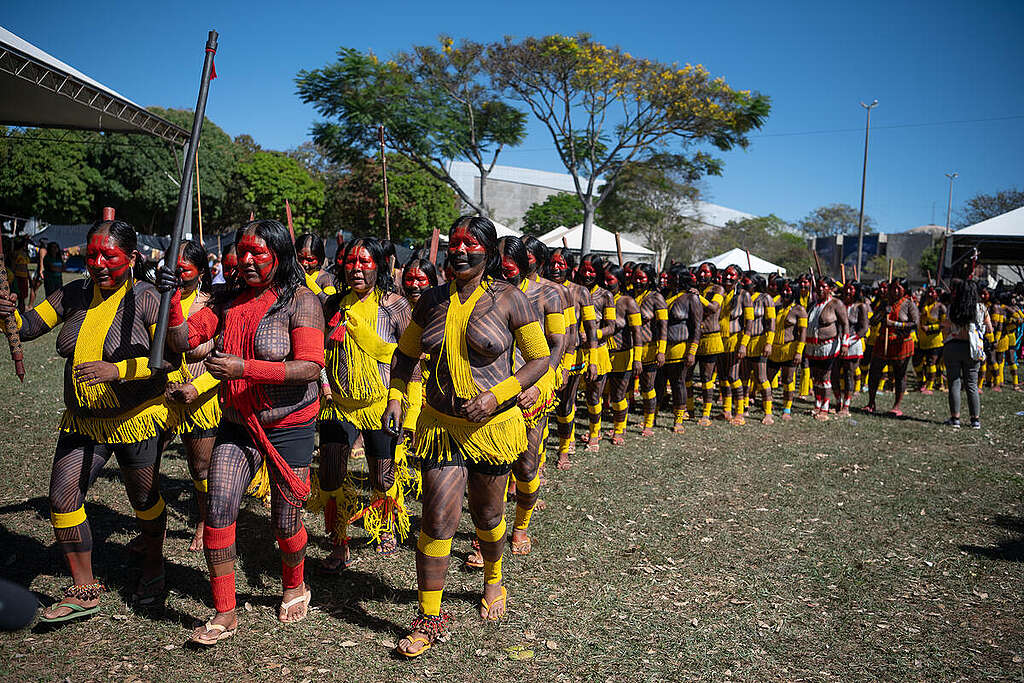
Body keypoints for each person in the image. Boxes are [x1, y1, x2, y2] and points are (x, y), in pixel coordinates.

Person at [383, 216, 550, 657]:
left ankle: (493, 577)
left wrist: (499, 395)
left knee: (488, 517)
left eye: (470, 244)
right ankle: (428, 616)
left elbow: (539, 359)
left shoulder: (511, 300)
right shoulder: (430, 301)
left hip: (492, 429)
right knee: (437, 520)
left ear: (489, 253)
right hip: (441, 426)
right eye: (453, 243)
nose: (459, 251)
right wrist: (397, 400)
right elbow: (404, 358)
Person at [159, 219, 325, 645]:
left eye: (259, 253)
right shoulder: (226, 297)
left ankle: (294, 583)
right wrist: (173, 298)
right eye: (243, 252)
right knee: (217, 507)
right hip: (238, 423)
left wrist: (243, 368)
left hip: (290, 425)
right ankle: (224, 611)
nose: (247, 261)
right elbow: (183, 341)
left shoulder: (302, 300)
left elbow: (309, 367)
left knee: (286, 520)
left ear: (280, 256)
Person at [1, 219, 175, 621]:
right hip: (83, 419)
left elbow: (169, 359)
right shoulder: (75, 292)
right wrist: (9, 314)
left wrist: (117, 371)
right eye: (92, 254)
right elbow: (30, 326)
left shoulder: (148, 298)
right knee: (62, 498)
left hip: (135, 419)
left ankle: (154, 562)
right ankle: (84, 589)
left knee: (143, 501)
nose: (97, 263)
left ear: (131, 258)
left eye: (108, 256)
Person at [311, 237, 412, 570]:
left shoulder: (395, 305)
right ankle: (339, 541)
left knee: (382, 477)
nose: (356, 268)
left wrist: (398, 400)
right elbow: (319, 351)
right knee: (329, 474)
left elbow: (411, 357)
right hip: (336, 404)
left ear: (379, 266)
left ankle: (384, 527)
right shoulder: (332, 304)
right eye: (350, 262)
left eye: (364, 262)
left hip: (380, 403)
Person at [499, 236, 565, 555]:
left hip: (532, 391)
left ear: (534, 262)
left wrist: (540, 384)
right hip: (495, 392)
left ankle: (521, 526)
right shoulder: (492, 290)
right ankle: (489, 532)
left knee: (525, 468)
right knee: (494, 466)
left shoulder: (549, 292)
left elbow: (557, 343)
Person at [163, 241, 222, 552]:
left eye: (183, 270)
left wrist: (195, 388)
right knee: (144, 461)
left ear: (201, 272)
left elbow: (224, 360)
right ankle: (151, 524)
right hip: (160, 397)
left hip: (201, 399)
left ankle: (204, 520)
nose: (176, 276)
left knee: (200, 468)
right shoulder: (158, 301)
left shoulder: (213, 306)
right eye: (172, 269)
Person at [545, 247, 598, 469]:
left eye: (561, 264)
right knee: (542, 409)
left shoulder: (579, 292)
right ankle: (537, 460)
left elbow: (591, 328)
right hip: (543, 358)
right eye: (553, 264)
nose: (556, 268)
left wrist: (593, 358)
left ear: (570, 267)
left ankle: (564, 450)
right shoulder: (542, 288)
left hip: (571, 357)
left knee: (565, 405)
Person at [575, 254, 615, 451]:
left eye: (592, 271)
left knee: (593, 396)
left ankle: (594, 433)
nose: (588, 274)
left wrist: (593, 333)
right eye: (585, 270)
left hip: (598, 352)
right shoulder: (572, 291)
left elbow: (611, 327)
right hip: (574, 352)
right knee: (570, 396)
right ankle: (569, 437)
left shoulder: (606, 295)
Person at [942, 277, 992, 429]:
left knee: (954, 383)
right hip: (973, 349)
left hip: (953, 347)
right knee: (972, 384)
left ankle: (955, 418)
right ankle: (975, 420)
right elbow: (990, 329)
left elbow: (946, 328)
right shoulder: (982, 309)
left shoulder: (953, 308)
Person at [866, 278, 919, 416]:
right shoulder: (884, 303)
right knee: (874, 372)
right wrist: (883, 312)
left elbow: (915, 323)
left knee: (899, 374)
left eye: (898, 288)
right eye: (893, 288)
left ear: (904, 289)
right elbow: (873, 321)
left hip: (901, 343)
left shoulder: (909, 304)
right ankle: (871, 403)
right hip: (883, 341)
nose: (895, 291)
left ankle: (896, 406)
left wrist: (895, 324)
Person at [602, 263, 642, 444]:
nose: (606, 283)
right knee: (599, 394)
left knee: (618, 395)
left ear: (620, 280)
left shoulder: (628, 302)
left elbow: (637, 332)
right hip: (601, 354)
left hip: (622, 355)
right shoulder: (600, 298)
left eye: (610, 279)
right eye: (604, 279)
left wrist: (637, 359)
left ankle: (619, 429)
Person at [661, 266, 702, 432]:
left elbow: (697, 327)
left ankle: (678, 420)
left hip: (681, 348)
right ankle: (651, 417)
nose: (669, 280)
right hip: (661, 348)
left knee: (678, 383)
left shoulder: (691, 298)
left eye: (673, 277)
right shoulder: (663, 295)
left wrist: (692, 351)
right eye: (668, 277)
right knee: (659, 383)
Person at [803, 277, 848, 420]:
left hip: (828, 347)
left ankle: (825, 408)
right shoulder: (812, 304)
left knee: (825, 378)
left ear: (830, 288)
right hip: (812, 346)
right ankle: (817, 404)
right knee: (815, 378)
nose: (820, 289)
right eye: (818, 287)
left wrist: (845, 343)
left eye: (824, 286)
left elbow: (845, 324)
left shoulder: (836, 304)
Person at [630, 263, 667, 435]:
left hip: (650, 349)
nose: (637, 281)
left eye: (641, 278)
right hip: (629, 349)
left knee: (647, 386)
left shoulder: (656, 298)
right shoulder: (628, 296)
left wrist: (661, 350)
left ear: (649, 279)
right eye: (635, 277)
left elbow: (663, 326)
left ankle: (648, 423)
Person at [766, 279, 807, 420]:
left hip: (790, 350)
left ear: (795, 292)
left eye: (788, 290)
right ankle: (767, 407)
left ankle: (787, 409)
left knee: (787, 380)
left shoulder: (800, 310)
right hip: (774, 350)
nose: (785, 293)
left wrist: (799, 352)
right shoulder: (777, 306)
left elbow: (802, 333)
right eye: (784, 290)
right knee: (768, 379)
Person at [694, 263, 726, 426]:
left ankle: (706, 414)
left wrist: (697, 297)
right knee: (687, 376)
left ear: (712, 275)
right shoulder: (695, 289)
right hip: (694, 338)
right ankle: (689, 409)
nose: (702, 275)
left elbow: (713, 308)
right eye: (700, 272)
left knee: (706, 377)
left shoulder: (718, 290)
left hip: (711, 339)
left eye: (705, 272)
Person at [743, 274, 776, 425]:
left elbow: (771, 322)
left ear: (755, 283)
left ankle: (768, 412)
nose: (743, 282)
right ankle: (742, 408)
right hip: (743, 342)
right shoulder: (743, 296)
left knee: (762, 378)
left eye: (746, 280)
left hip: (759, 342)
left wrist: (769, 343)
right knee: (743, 378)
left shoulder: (765, 298)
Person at [833, 281, 870, 417]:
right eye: (847, 289)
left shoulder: (861, 307)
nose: (848, 292)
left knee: (849, 375)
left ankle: (846, 406)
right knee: (834, 374)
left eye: (852, 289)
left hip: (853, 345)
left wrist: (848, 341)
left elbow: (864, 328)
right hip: (836, 343)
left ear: (857, 291)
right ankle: (837, 402)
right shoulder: (838, 304)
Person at [916, 285, 946, 395]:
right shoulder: (922, 306)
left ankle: (930, 386)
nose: (929, 294)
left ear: (937, 294)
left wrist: (930, 328)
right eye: (928, 292)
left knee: (931, 362)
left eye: (932, 292)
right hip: (922, 340)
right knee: (919, 362)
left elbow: (944, 324)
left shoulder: (941, 307)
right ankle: (922, 383)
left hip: (935, 341)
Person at [295, 233, 338, 298]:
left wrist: (307, 279)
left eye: (310, 260)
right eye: (301, 258)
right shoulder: (293, 275)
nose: (304, 263)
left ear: (320, 260)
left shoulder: (326, 279)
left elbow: (329, 304)